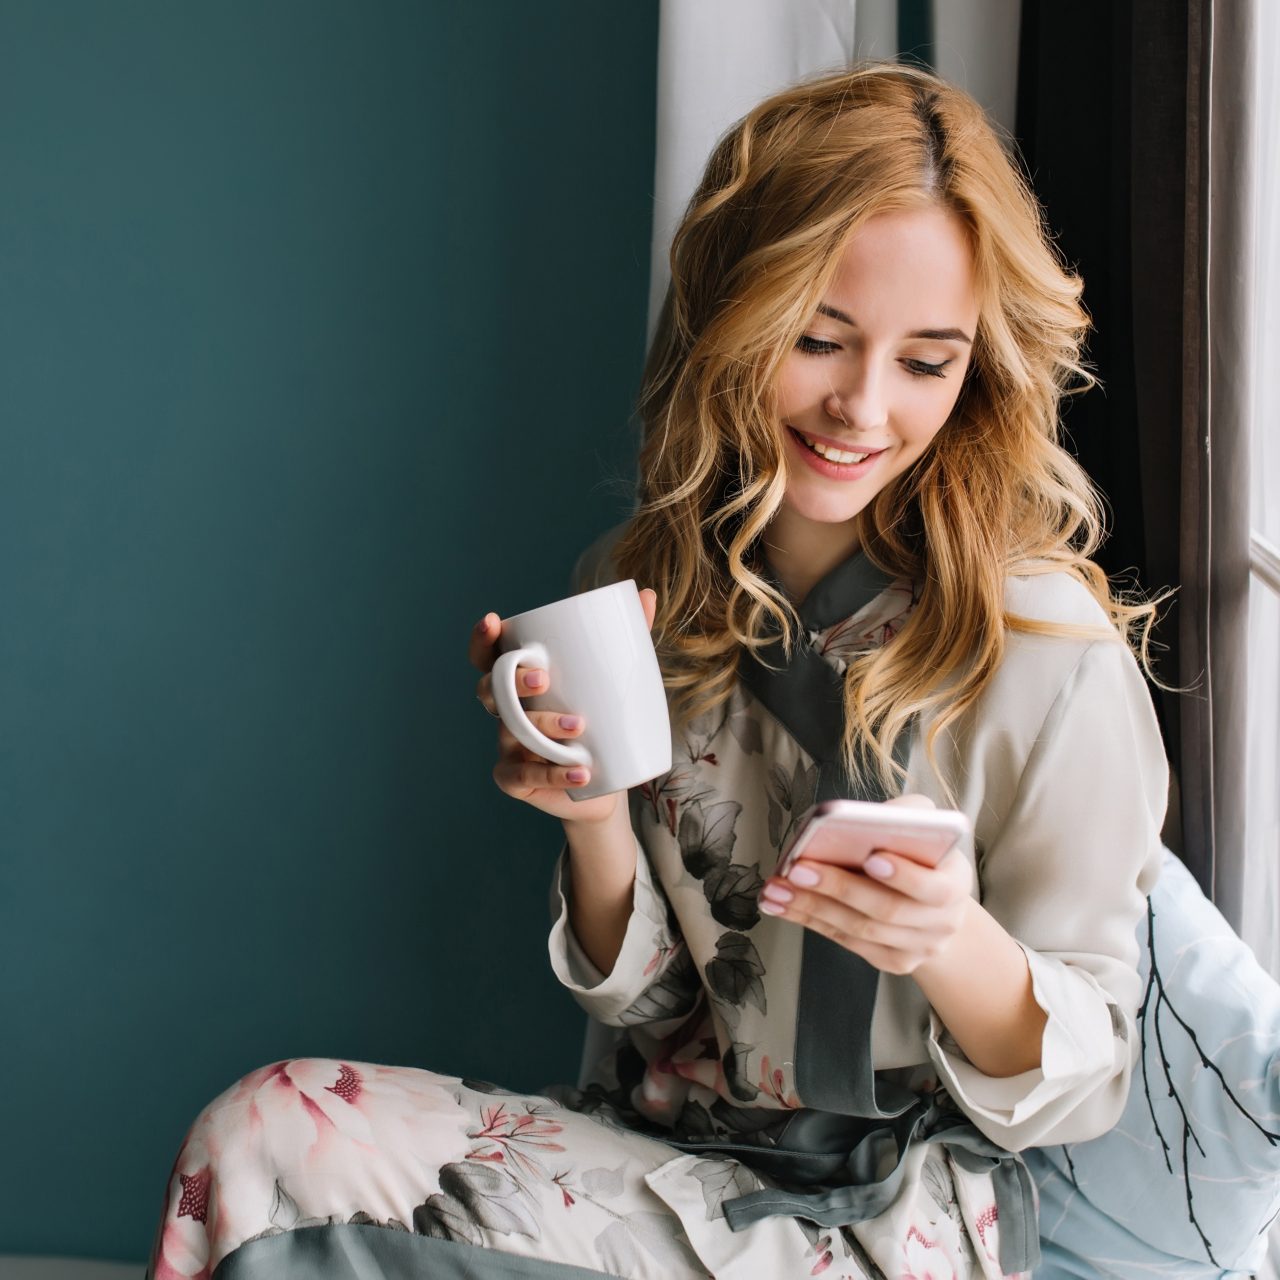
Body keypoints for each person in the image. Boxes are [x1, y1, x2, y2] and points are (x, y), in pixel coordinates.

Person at [147, 63, 1169, 1280]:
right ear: (734, 313)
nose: (860, 403)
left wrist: (945, 940)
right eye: (817, 337)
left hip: (895, 1227)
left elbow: (1090, 1071)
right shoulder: (649, 595)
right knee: (260, 1136)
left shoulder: (1040, 646)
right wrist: (590, 823)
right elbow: (656, 1012)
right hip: (669, 1165)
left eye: (925, 360)